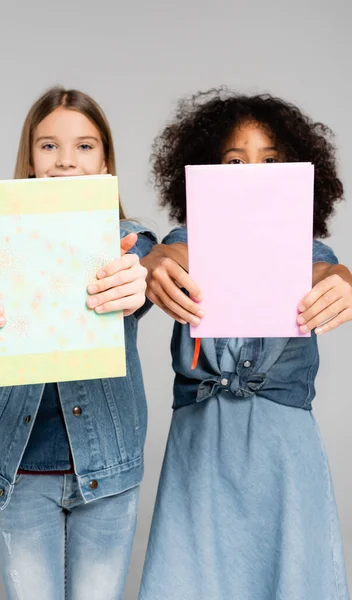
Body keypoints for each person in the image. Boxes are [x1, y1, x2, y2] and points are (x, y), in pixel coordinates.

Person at [138, 88, 352, 599]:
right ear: (206, 172)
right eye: (234, 161)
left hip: (284, 453)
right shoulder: (188, 240)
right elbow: (169, 256)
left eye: (270, 161)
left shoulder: (307, 249)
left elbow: (325, 268)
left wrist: (344, 277)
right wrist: (151, 266)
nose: (252, 174)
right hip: (201, 446)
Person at [0, 86, 156, 600]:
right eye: (49, 146)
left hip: (106, 466)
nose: (66, 160)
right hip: (19, 468)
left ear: (106, 158)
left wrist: (137, 282)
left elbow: (146, 272)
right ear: (30, 157)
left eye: (85, 146)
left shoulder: (129, 239)